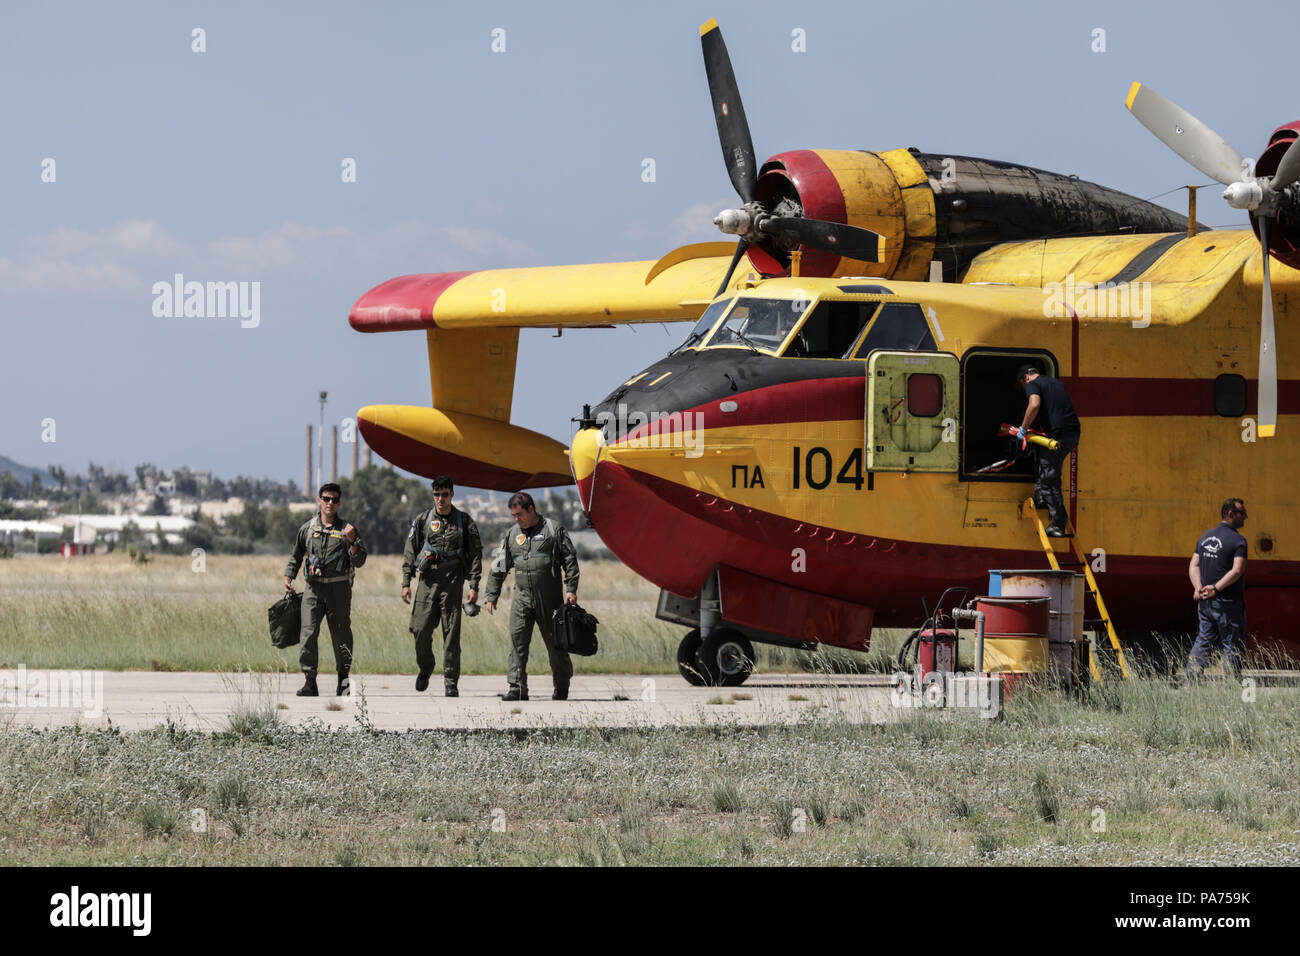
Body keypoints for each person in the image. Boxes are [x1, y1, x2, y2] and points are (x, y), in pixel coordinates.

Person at [482, 492, 580, 701]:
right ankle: (516, 688)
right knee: (517, 642)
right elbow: (498, 566)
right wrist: (491, 595)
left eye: (519, 514)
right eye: (513, 516)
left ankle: (561, 687)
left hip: (550, 600)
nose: (516, 519)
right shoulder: (511, 535)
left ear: (531, 510)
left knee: (556, 645)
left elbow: (570, 560)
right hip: (522, 599)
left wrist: (571, 589)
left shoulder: (553, 530)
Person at [401, 476, 482, 697]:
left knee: (451, 634)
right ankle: (426, 667)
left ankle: (450, 681)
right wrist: (406, 581)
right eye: (437, 494)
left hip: (453, 583)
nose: (440, 499)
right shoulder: (423, 520)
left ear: (452, 494)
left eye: (444, 494)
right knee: (419, 629)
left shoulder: (464, 522)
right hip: (427, 583)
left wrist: (474, 585)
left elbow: (475, 555)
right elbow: (410, 550)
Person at [283, 483, 366, 696]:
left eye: (334, 500)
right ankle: (310, 681)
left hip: (339, 590)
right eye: (326, 499)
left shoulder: (347, 529)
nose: (330, 503)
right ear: (319, 500)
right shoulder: (308, 528)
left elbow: (360, 560)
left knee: (341, 635)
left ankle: (343, 681)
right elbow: (296, 554)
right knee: (308, 633)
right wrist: (289, 576)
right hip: (313, 589)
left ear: (339, 503)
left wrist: (352, 541)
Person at [1015, 363, 1081, 537]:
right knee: (1049, 466)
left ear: (1025, 377)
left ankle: (1058, 524)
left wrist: (1023, 428)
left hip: (1057, 435)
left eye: (1023, 386)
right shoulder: (1056, 383)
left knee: (1048, 478)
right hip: (1072, 434)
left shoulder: (1032, 384)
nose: (1025, 389)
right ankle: (1043, 499)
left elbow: (1034, 404)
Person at [1186, 499, 1249, 680]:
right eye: (1242, 513)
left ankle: (1191, 682)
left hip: (1206, 603)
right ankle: (1231, 685)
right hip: (1228, 603)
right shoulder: (1238, 540)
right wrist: (1215, 588)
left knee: (1204, 641)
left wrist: (1198, 587)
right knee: (1232, 644)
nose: (1245, 516)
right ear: (1230, 514)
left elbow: (1193, 565)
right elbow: (1237, 570)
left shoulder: (1205, 537)